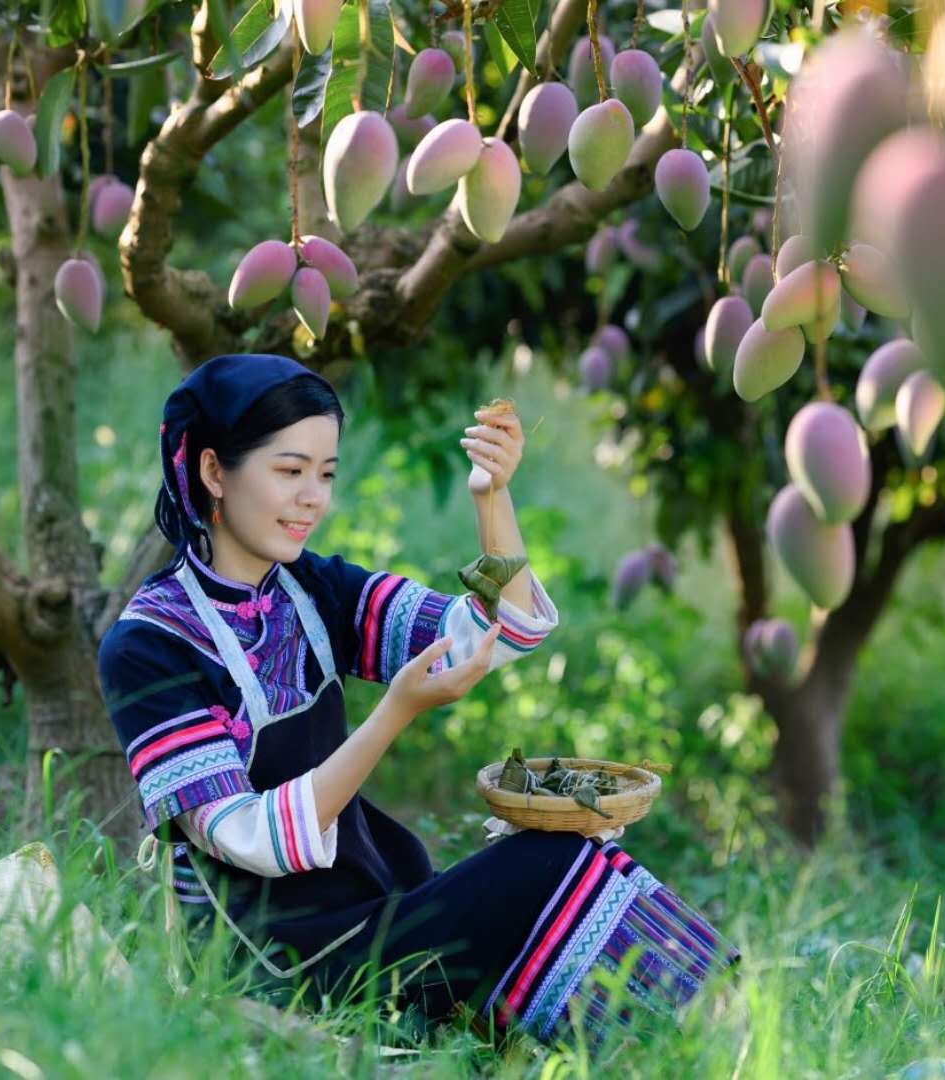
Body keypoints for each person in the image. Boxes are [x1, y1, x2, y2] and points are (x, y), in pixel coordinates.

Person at [97, 353, 738, 1048]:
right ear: (215, 471)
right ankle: (706, 1041)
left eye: (326, 473)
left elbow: (496, 631)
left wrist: (492, 499)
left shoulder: (310, 590)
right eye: (290, 471)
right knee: (543, 867)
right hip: (270, 965)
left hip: (368, 915)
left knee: (574, 850)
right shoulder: (149, 645)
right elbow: (250, 839)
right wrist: (395, 711)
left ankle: (715, 1030)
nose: (314, 497)